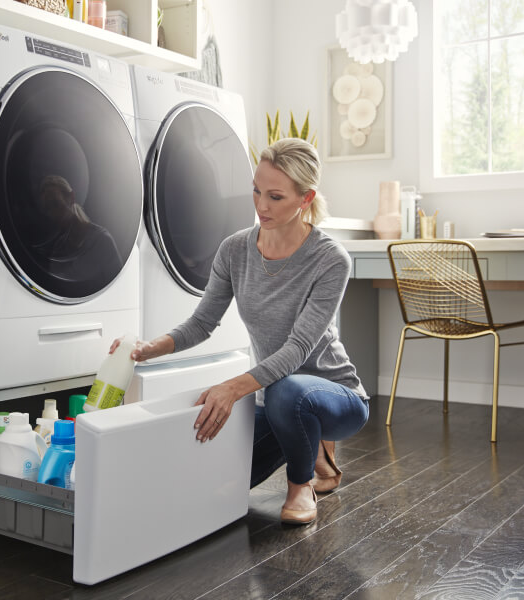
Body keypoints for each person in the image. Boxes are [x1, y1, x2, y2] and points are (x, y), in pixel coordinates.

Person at [111, 138, 369, 525]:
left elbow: (298, 349)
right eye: (256, 191)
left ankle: (301, 483)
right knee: (211, 481)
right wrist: (151, 348)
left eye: (276, 196)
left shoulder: (331, 259)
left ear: (305, 198)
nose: (261, 205)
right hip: (277, 398)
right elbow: (202, 323)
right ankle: (310, 446)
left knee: (287, 389)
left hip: (337, 396)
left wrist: (231, 388)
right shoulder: (235, 250)